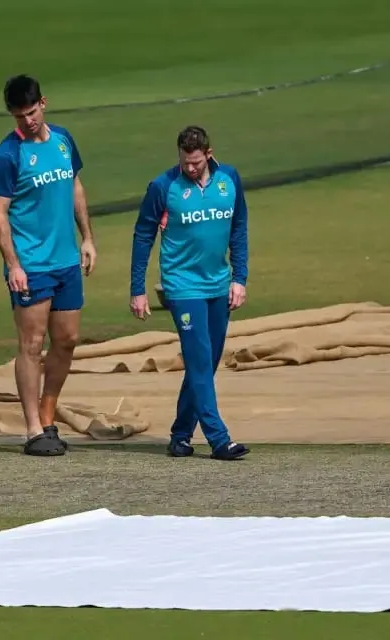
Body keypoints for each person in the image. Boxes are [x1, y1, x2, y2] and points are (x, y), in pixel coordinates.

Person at [0, 74, 97, 457]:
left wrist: (87, 238)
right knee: (32, 345)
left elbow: (75, 187)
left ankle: (48, 416)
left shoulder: (64, 140)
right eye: (19, 116)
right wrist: (13, 265)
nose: (27, 121)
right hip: (31, 265)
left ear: (43, 103)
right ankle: (33, 428)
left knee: (67, 340)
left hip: (66, 260)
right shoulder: (7, 155)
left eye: (31, 113)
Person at [129, 125, 251, 461]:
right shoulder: (163, 186)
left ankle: (180, 435)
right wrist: (137, 289)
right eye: (185, 162)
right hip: (182, 286)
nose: (191, 168)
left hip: (218, 283)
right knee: (198, 361)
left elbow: (239, 226)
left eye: (196, 162)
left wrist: (239, 277)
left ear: (208, 155)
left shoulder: (229, 179)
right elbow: (143, 236)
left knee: (206, 364)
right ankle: (218, 439)